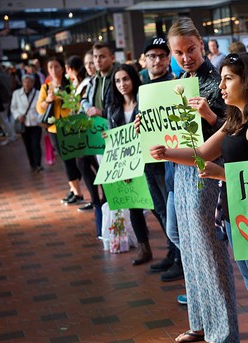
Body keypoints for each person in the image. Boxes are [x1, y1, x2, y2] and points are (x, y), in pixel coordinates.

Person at [150, 52, 248, 342]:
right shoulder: (235, 119)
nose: (221, 86)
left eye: (228, 78)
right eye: (221, 78)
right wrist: (165, 152)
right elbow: (204, 152)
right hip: (236, 215)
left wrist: (219, 174)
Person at [162, 17, 238, 343]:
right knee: (190, 249)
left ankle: (223, 332)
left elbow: (236, 122)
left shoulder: (217, 79)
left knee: (209, 249)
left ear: (202, 44)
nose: (185, 57)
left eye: (190, 49)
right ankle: (200, 322)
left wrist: (210, 115)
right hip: (181, 170)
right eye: (178, 52)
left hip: (208, 170)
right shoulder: (177, 83)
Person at [140, 36, 185, 283]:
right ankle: (171, 252)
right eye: (152, 56)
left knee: (169, 213)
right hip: (150, 157)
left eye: (161, 55)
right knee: (158, 209)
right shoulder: (144, 86)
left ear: (168, 59)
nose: (156, 60)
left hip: (168, 159)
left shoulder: (174, 85)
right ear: (144, 59)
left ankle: (179, 258)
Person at [105, 63, 155, 266]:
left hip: (149, 160)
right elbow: (113, 138)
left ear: (133, 79)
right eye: (117, 80)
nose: (122, 84)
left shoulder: (144, 101)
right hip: (128, 163)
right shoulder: (113, 108)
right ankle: (144, 248)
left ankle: (174, 252)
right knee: (134, 207)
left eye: (125, 79)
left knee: (157, 206)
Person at [35, 56, 85, 205]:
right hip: (54, 128)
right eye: (50, 67)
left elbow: (77, 104)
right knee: (66, 160)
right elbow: (39, 108)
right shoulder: (46, 87)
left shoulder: (70, 84)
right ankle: (76, 192)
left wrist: (66, 96)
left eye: (56, 66)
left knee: (77, 160)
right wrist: (48, 100)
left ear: (63, 68)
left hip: (71, 126)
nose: (53, 70)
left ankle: (74, 189)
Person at [80, 42, 117, 237]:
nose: (98, 60)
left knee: (117, 182)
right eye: (95, 57)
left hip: (116, 136)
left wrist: (101, 112)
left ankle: (121, 228)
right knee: (104, 178)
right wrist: (86, 106)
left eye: (102, 56)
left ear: (112, 57)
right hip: (98, 137)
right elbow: (84, 99)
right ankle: (111, 228)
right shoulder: (93, 81)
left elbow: (125, 104)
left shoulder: (117, 77)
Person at [11, 74, 41, 172]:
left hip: (35, 123)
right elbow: (13, 107)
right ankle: (32, 163)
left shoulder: (38, 93)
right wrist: (18, 116)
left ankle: (38, 163)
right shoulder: (16, 93)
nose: (27, 84)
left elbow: (41, 108)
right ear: (22, 83)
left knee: (36, 144)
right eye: (25, 82)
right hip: (23, 123)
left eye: (29, 82)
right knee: (27, 145)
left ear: (33, 83)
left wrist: (39, 118)